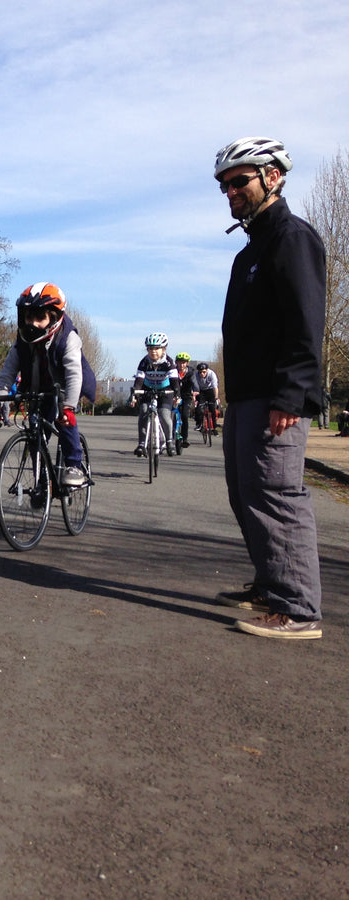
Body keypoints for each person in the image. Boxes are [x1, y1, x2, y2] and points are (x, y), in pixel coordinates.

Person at [212, 136, 325, 639]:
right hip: (246, 397)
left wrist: (291, 395)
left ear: (273, 177)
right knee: (247, 495)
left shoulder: (291, 238)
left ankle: (297, 608)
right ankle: (269, 582)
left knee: (278, 497)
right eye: (224, 185)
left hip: (275, 398)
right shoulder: (250, 252)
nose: (230, 191)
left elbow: (305, 325)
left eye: (239, 181)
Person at [0, 282, 95, 487]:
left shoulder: (68, 338)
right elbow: (7, 374)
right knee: (36, 431)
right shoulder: (22, 341)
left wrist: (69, 407)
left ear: (54, 317)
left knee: (64, 420)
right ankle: (41, 480)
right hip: (37, 388)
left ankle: (74, 465)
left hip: (64, 387)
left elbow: (73, 373)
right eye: (28, 317)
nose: (32, 323)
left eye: (40, 318)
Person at [129, 333, 180, 457]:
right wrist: (135, 394)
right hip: (148, 389)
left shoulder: (169, 362)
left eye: (157, 348)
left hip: (165, 390)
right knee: (144, 411)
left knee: (163, 413)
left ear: (164, 349)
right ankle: (141, 444)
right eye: (150, 348)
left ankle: (169, 442)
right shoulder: (144, 362)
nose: (153, 351)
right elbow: (139, 381)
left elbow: (174, 381)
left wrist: (176, 395)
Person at [192, 362, 220, 434]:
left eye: (204, 372)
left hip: (210, 390)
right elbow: (194, 388)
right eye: (200, 372)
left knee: (212, 409)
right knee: (199, 408)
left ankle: (214, 427)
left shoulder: (211, 374)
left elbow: (215, 387)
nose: (202, 374)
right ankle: (199, 424)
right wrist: (194, 399)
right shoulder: (195, 375)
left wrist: (216, 398)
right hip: (200, 391)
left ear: (207, 370)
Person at [174, 352, 195, 450]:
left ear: (187, 363)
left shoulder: (191, 373)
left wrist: (196, 391)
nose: (181, 365)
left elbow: (195, 384)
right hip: (174, 396)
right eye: (179, 362)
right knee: (170, 414)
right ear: (176, 363)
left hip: (186, 397)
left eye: (184, 363)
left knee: (185, 416)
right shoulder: (173, 372)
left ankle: (185, 438)